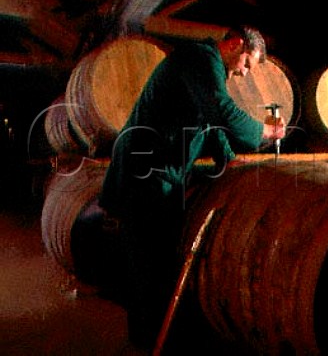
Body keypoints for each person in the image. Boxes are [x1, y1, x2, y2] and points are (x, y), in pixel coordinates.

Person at [98, 25, 285, 351]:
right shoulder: (200, 58)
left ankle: (154, 338)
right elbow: (219, 109)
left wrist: (226, 159)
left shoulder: (207, 67)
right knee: (149, 264)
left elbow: (207, 121)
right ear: (236, 44)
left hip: (159, 172)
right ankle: (150, 343)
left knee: (156, 261)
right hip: (145, 173)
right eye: (246, 64)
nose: (243, 74)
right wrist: (265, 133)